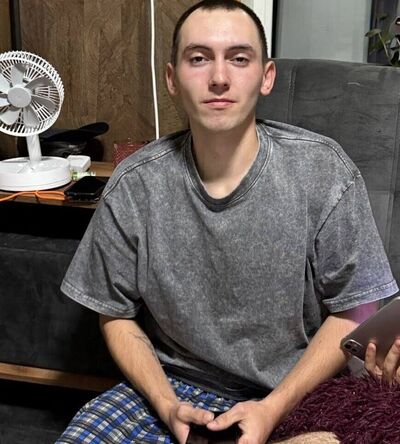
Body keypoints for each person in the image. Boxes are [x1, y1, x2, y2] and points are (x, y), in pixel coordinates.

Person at [57, 1, 398, 443]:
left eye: (239, 58)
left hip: (297, 391)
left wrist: (272, 408)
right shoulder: (135, 184)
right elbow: (115, 315)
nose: (219, 77)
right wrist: (166, 404)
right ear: (172, 79)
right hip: (171, 388)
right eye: (199, 58)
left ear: (267, 76)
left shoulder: (324, 172)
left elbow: (356, 310)